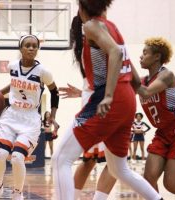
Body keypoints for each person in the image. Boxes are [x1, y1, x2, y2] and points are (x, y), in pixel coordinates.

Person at [51, 1, 162, 200]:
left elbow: (116, 53)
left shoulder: (91, 25)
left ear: (82, 8)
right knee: (119, 169)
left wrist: (109, 95)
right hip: (127, 97)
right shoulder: (112, 27)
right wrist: (141, 90)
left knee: (60, 158)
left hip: (110, 97)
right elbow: (126, 61)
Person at [0, 34, 59, 200]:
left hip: (30, 118)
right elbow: (14, 84)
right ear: (21, 48)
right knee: (0, 154)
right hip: (11, 115)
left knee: (18, 158)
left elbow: (54, 92)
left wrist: (53, 115)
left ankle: (17, 194)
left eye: (35, 46)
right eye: (28, 45)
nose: (31, 48)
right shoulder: (13, 66)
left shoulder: (43, 72)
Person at [58, 13, 116, 200]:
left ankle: (72, 197)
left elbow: (92, 83)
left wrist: (82, 93)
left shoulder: (81, 46)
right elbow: (102, 80)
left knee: (89, 160)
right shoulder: (95, 43)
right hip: (103, 103)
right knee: (112, 161)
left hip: (91, 99)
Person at [137, 37, 175, 195]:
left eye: (145, 53)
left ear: (157, 56)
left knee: (172, 184)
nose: (141, 56)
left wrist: (122, 59)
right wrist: (86, 93)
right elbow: (119, 93)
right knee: (149, 178)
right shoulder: (143, 81)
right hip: (163, 132)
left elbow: (146, 92)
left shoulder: (167, 75)